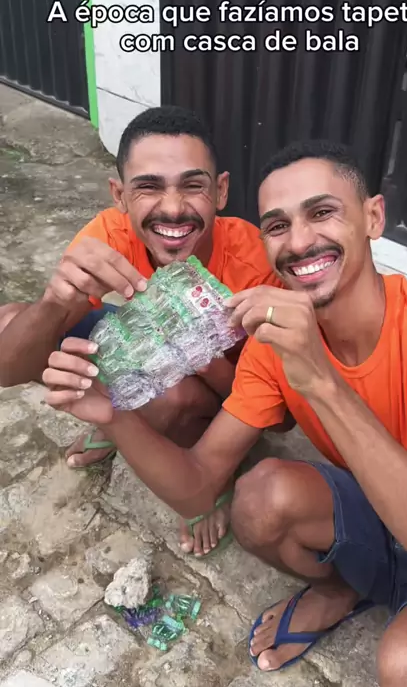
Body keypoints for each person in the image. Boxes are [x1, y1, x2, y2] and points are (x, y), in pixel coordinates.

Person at [43, 139, 407, 687]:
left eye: (322, 213)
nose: (299, 241)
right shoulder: (276, 344)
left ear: (373, 218)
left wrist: (320, 381)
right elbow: (199, 487)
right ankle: (343, 588)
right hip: (381, 512)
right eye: (277, 225)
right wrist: (111, 415)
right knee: (258, 498)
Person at [0, 105, 283, 557]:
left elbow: (279, 415)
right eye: (148, 187)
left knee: (173, 399)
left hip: (221, 386)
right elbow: (8, 369)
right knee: (16, 320)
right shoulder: (111, 235)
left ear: (221, 191)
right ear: (120, 195)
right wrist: (54, 301)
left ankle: (209, 473)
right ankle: (120, 426)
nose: (172, 208)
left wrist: (197, 354)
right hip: (146, 344)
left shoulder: (258, 265)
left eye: (193, 185)